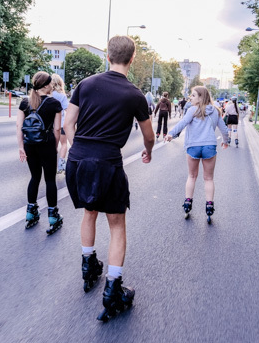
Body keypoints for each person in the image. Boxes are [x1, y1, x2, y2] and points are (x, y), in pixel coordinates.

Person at [64, 35, 155, 321]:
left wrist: (77, 151)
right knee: (116, 225)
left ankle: (88, 266)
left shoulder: (85, 84)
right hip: (107, 163)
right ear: (132, 58)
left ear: (107, 56)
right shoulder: (135, 95)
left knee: (89, 212)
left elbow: (68, 123)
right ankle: (113, 290)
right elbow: (148, 135)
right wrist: (148, 151)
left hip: (78, 160)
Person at [165, 86, 228, 222]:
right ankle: (209, 207)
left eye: (193, 95)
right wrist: (225, 141)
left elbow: (183, 123)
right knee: (209, 178)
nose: (191, 98)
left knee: (192, 176)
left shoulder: (192, 110)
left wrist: (171, 134)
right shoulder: (216, 111)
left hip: (193, 146)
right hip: (209, 147)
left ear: (200, 97)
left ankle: (188, 204)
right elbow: (223, 129)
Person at [16, 71, 63, 234]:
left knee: (34, 178)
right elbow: (57, 128)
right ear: (45, 85)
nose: (52, 85)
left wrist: (21, 147)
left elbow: (19, 126)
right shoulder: (54, 103)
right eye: (50, 83)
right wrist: (55, 146)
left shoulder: (25, 102)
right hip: (47, 144)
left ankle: (31, 213)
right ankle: (53, 217)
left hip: (30, 145)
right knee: (50, 180)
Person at [50, 74, 69, 174]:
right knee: (64, 144)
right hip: (61, 124)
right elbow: (67, 109)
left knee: (52, 145)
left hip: (49, 125)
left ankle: (50, 165)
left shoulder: (48, 95)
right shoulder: (62, 96)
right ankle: (61, 165)